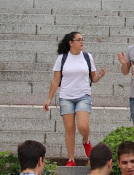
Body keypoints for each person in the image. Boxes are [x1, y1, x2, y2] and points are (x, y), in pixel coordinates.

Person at [43, 31, 105, 166]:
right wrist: (49, 99)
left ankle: (86, 140)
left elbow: (93, 78)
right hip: (66, 96)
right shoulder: (62, 58)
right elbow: (55, 80)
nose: (82, 42)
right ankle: (71, 159)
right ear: (71, 43)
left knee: (83, 125)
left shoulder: (88, 57)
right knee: (69, 128)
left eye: (83, 39)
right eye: (79, 40)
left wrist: (99, 76)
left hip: (83, 95)